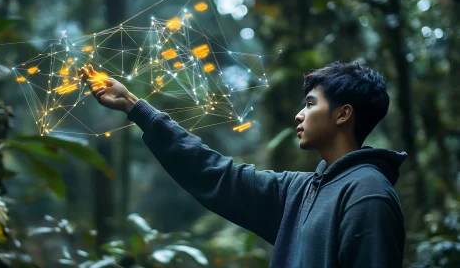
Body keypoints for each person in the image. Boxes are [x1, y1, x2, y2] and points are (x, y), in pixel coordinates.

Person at [80, 61, 406, 267]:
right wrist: (134, 106)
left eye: (310, 104)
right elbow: (218, 173)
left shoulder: (367, 193)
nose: (299, 115)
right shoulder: (301, 190)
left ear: (343, 114)